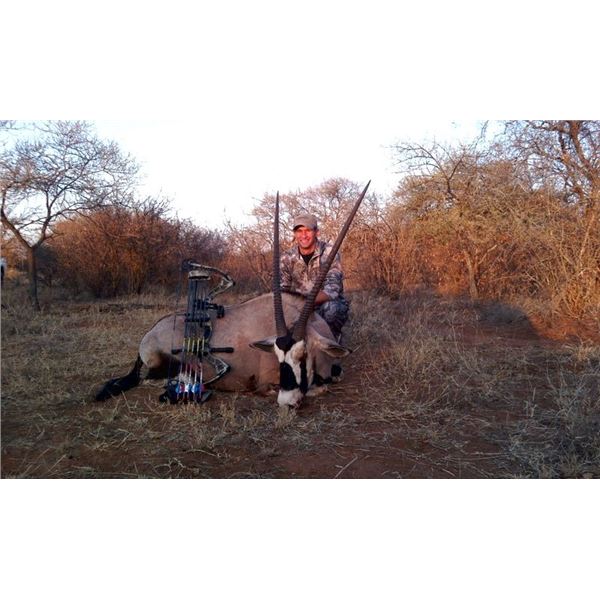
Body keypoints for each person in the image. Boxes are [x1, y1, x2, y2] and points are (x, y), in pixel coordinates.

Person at [280, 212, 350, 341]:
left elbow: (333, 289)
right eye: (299, 231)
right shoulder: (286, 257)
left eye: (308, 230)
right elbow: (282, 290)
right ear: (295, 234)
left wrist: (306, 302)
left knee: (332, 309)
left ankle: (332, 341)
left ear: (316, 232)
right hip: (298, 307)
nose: (303, 235)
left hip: (323, 303)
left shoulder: (329, 251)